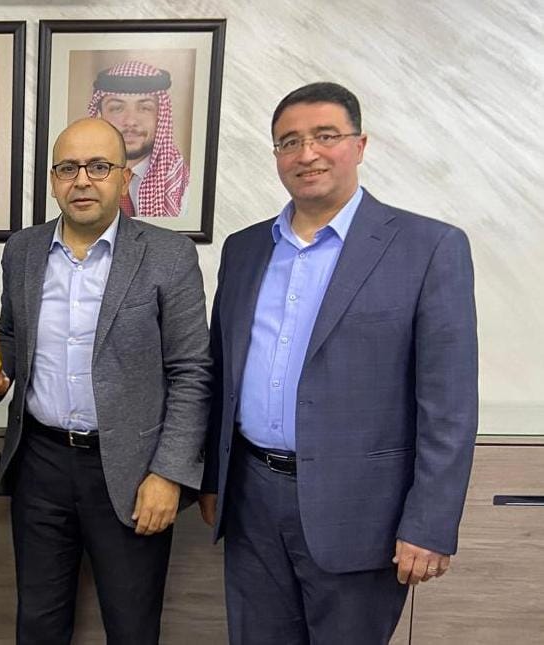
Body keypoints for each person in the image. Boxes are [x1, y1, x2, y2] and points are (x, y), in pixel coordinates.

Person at [199, 82, 478, 644]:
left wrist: (429, 522)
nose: (307, 154)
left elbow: (448, 405)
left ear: (359, 145)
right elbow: (221, 373)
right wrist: (212, 480)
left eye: (325, 136)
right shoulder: (244, 248)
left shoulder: (428, 247)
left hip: (362, 512)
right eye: (289, 142)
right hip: (251, 500)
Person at [0, 118, 212, 644]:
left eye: (99, 166)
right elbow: (12, 334)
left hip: (133, 472)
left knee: (131, 627)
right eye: (68, 168)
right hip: (39, 464)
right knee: (37, 624)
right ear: (53, 180)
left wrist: (169, 474)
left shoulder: (168, 255)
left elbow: (192, 371)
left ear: (125, 177)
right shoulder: (23, 250)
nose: (82, 180)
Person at [87, 60, 189, 218]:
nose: (130, 121)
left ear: (161, 116)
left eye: (145, 108)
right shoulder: (78, 179)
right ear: (100, 116)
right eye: (117, 108)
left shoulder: (184, 189)